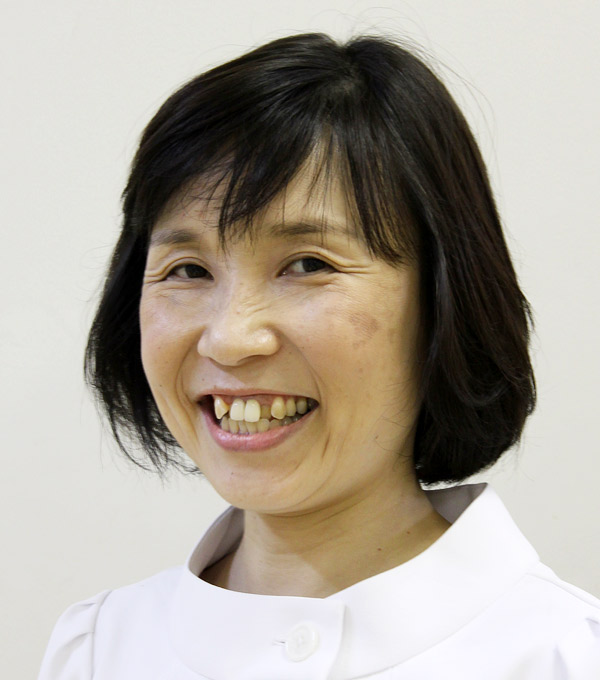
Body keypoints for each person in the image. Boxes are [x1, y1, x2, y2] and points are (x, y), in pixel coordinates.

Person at [38, 32, 600, 679]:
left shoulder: (565, 657)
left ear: (444, 299)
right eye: (188, 269)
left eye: (307, 264)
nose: (229, 338)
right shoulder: (96, 650)